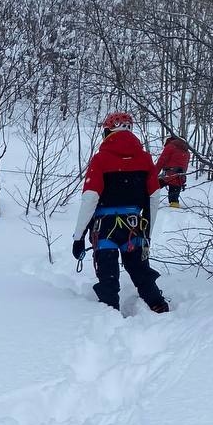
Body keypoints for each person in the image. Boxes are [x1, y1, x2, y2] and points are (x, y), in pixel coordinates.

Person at [70, 112, 169, 314]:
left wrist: (78, 237)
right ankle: (157, 304)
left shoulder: (100, 159)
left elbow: (90, 199)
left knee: (108, 274)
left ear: (107, 132)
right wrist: (147, 231)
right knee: (140, 270)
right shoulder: (145, 159)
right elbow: (154, 197)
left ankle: (109, 311)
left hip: (105, 226)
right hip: (134, 225)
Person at [156, 134, 190, 208]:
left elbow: (161, 162)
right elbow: (185, 167)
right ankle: (175, 209)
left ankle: (144, 198)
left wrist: (153, 174)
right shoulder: (187, 152)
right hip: (179, 178)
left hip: (168, 176)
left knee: (152, 187)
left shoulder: (170, 147)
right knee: (174, 200)